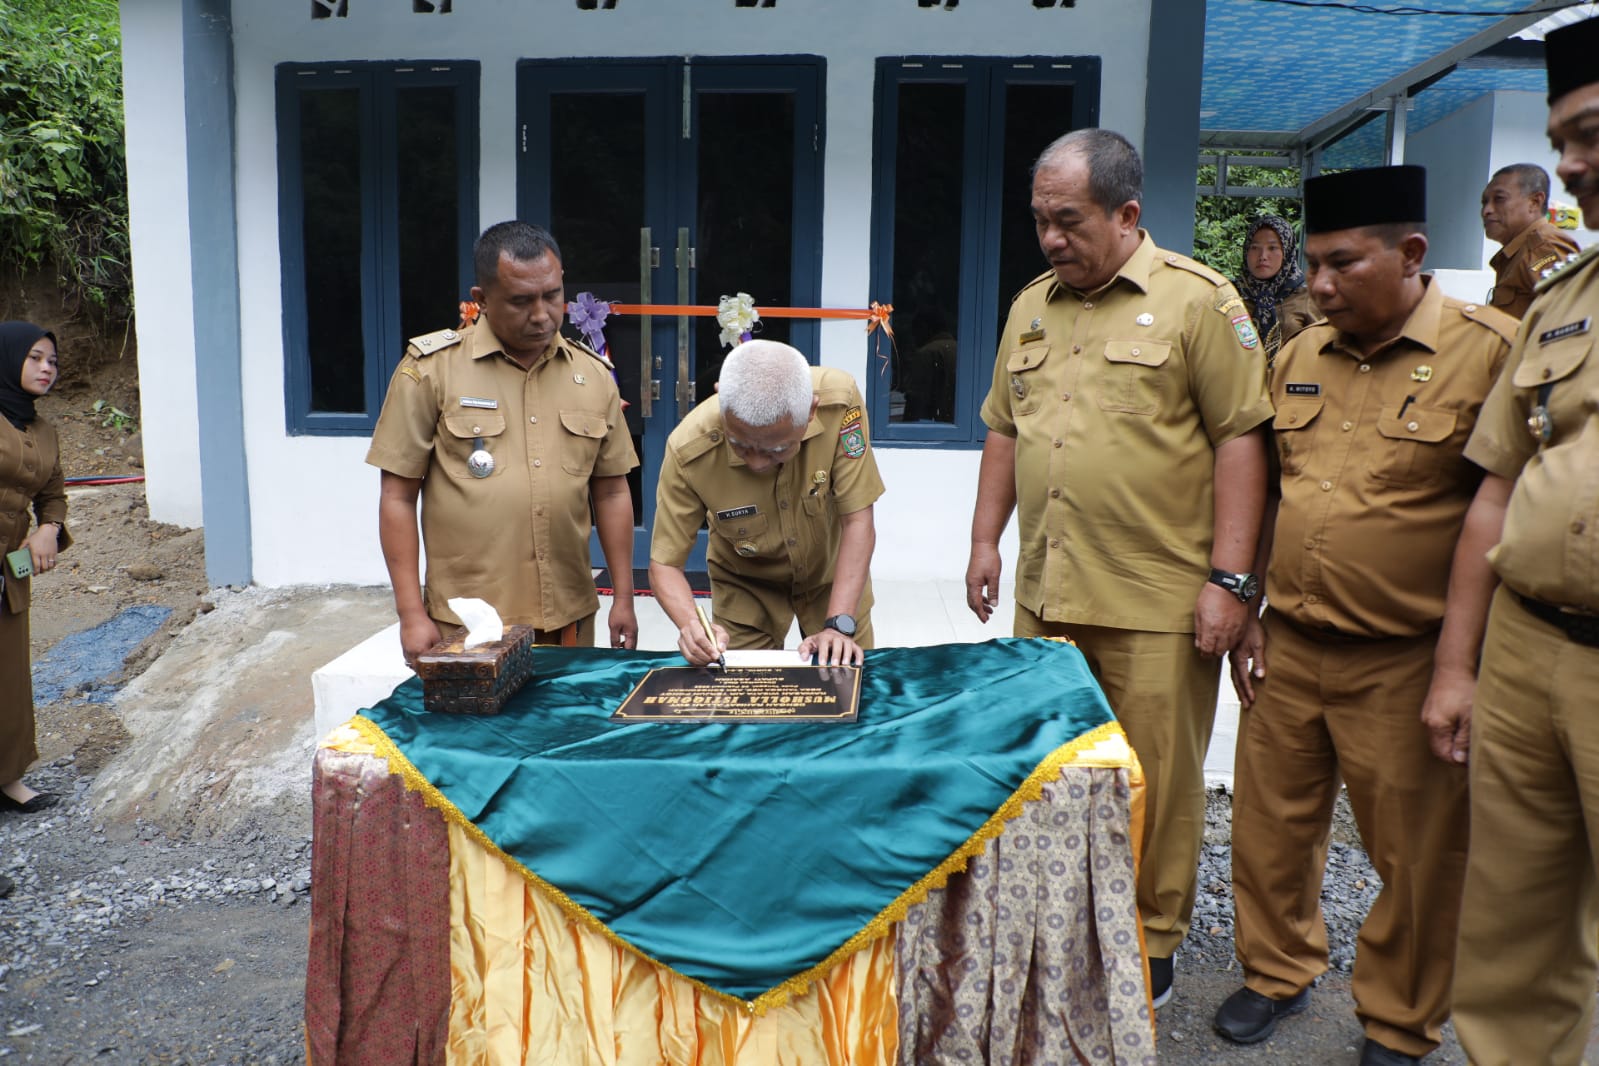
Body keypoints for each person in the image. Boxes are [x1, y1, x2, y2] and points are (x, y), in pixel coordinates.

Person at [1214, 165, 1516, 1065]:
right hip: (1290, 643)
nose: (1318, 284)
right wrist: (1248, 603)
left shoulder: (1488, 351)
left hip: (1407, 656)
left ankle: (1397, 1018)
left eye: (1342, 264)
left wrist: (1459, 668)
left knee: (1416, 853)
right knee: (1268, 831)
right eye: (1311, 264)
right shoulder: (1299, 355)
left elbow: (1505, 511)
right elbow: (1271, 489)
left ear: (1410, 252)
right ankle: (1276, 971)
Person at [964, 128, 1272, 1007]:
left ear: (1126, 213)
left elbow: (1241, 442)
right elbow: (1003, 429)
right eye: (1039, 221)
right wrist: (985, 541)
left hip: (1156, 599)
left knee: (1157, 782)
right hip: (1048, 591)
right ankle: (1057, 918)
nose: (1050, 238)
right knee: (1048, 768)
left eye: (1068, 220)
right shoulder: (1030, 307)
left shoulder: (1198, 303)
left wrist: (1230, 582)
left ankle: (1148, 939)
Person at [1450, 16, 1599, 1063]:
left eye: (1590, 134)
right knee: (1512, 928)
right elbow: (1497, 486)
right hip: (1527, 648)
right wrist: (1455, 665)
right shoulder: (1563, 298)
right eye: (1561, 143)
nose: (1571, 166)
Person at [367, 221, 639, 661]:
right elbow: (397, 496)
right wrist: (410, 613)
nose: (541, 314)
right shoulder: (432, 370)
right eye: (520, 301)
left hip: (567, 618)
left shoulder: (591, 375)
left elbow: (611, 491)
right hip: (468, 624)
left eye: (552, 295)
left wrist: (623, 597)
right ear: (482, 298)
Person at [650, 339, 883, 668]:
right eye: (740, 445)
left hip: (832, 577)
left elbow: (858, 521)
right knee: (745, 689)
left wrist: (838, 625)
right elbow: (665, 564)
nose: (757, 463)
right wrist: (691, 625)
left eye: (777, 450)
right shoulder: (688, 449)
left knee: (846, 679)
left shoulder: (839, 404)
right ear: (720, 397)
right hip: (745, 585)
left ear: (811, 411)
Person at [0, 322, 70, 815]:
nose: (47, 368)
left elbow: (53, 494)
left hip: (10, 570)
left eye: (53, 361)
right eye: (35, 358)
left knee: (8, 675)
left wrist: (50, 528)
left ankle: (7, 778)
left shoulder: (44, 431)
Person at [1480, 161, 1580, 319]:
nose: (1487, 210)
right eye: (1484, 202)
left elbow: (1568, 320)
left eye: (1499, 199)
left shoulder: (1544, 247)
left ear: (1534, 202)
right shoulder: (1518, 251)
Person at [1236, 216, 1318, 367]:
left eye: (1272, 248)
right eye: (1255, 248)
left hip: (1290, 379)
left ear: (1287, 251)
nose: (1263, 256)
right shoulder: (1231, 296)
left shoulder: (1307, 298)